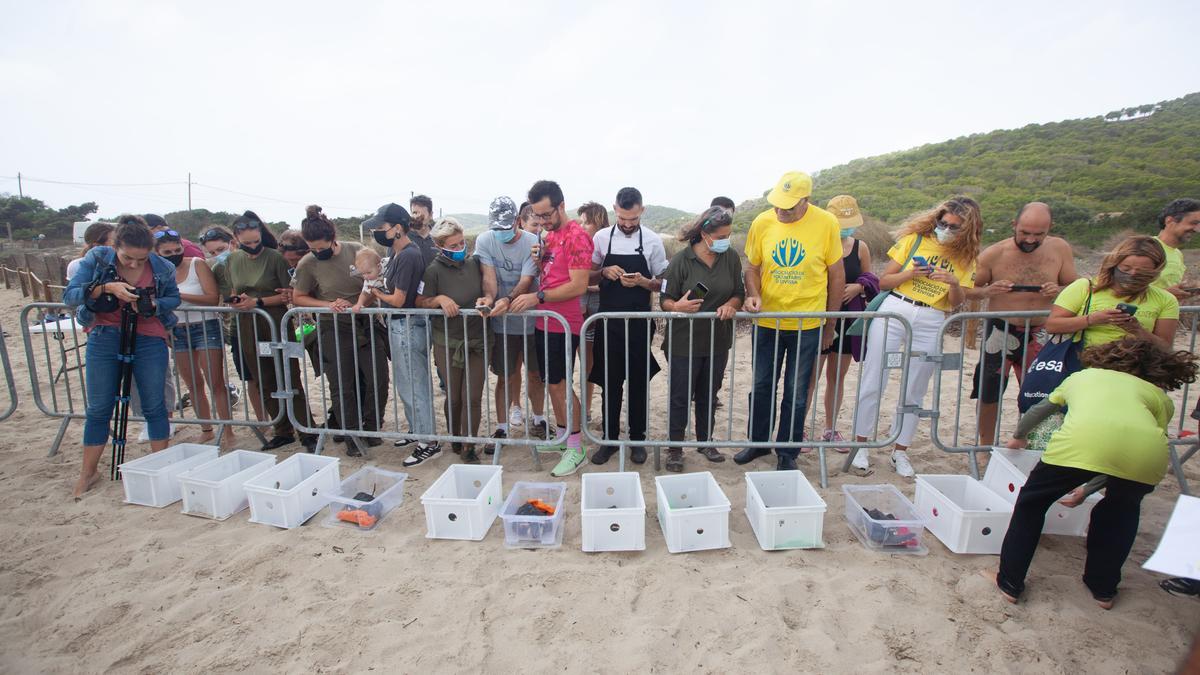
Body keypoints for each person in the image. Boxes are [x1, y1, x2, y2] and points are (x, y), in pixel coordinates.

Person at [994, 337, 1197, 609]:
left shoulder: (1082, 377)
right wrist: (1087, 490)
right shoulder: (1159, 396)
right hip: (1146, 456)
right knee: (1121, 512)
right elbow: (1124, 450)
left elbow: (1039, 410)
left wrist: (1019, 436)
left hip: (1079, 444)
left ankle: (1010, 584)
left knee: (1031, 504)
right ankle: (1103, 590)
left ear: (1104, 356)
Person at [851, 196, 981, 477]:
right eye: (942, 223)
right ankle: (860, 446)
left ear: (967, 229)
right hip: (897, 307)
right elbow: (883, 281)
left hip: (933, 315)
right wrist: (911, 273)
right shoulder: (915, 240)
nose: (944, 229)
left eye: (953, 226)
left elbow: (958, 301)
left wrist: (954, 283)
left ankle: (900, 451)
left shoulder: (967, 257)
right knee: (875, 378)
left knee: (916, 387)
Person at [62, 216, 180, 498]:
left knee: (155, 405)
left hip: (149, 335)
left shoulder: (161, 266)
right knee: (100, 407)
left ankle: (158, 467)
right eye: (127, 258)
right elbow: (71, 296)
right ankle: (88, 472)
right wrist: (105, 288)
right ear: (115, 246)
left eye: (141, 260)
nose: (133, 265)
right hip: (104, 333)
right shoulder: (97, 259)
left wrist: (151, 303)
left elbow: (173, 298)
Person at [736, 171, 845, 472]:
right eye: (778, 205)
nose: (781, 211)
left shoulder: (826, 223)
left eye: (789, 206)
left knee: (797, 391)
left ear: (806, 200)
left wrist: (830, 325)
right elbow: (752, 268)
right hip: (768, 322)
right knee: (761, 386)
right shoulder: (762, 222)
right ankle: (757, 444)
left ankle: (788, 451)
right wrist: (753, 294)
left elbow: (836, 275)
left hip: (806, 323)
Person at [967, 202, 1079, 446]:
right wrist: (988, 291)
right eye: (1025, 232)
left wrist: (1059, 290)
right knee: (990, 392)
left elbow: (1076, 286)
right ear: (1014, 225)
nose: (1030, 239)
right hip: (1001, 328)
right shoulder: (994, 254)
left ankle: (1032, 442)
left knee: (1041, 392)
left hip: (1042, 330)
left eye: (1038, 234)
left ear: (1049, 229)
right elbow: (967, 290)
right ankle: (985, 445)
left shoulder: (1059, 249)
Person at [510, 180, 593, 477]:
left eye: (546, 215)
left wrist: (537, 296)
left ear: (561, 205)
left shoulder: (577, 237)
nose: (542, 221)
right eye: (537, 216)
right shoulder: (550, 235)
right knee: (552, 383)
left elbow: (578, 285)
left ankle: (575, 447)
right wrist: (540, 257)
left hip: (564, 322)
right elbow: (553, 274)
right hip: (545, 320)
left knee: (560, 385)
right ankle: (561, 437)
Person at [292, 205, 389, 456]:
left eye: (322, 248)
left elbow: (372, 281)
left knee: (377, 378)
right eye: (313, 248)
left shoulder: (356, 251)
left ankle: (372, 427)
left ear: (332, 239)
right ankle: (351, 435)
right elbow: (299, 297)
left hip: (366, 323)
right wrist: (329, 304)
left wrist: (360, 304)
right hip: (332, 327)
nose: (318, 253)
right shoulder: (308, 263)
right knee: (343, 384)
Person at [222, 213, 316, 451]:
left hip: (274, 319)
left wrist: (258, 302)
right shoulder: (232, 260)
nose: (253, 246)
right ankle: (282, 430)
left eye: (257, 241)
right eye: (248, 243)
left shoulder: (275, 258)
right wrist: (237, 301)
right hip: (246, 323)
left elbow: (288, 295)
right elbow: (234, 289)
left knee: (289, 375)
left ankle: (306, 430)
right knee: (263, 378)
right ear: (236, 238)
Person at [660, 206, 744, 472]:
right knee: (680, 396)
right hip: (684, 342)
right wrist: (677, 307)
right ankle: (675, 448)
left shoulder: (730, 257)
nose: (725, 240)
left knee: (710, 393)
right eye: (721, 236)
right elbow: (664, 300)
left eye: (728, 235)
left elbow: (739, 292)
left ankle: (705, 441)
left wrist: (732, 304)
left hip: (717, 341)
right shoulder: (681, 261)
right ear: (705, 235)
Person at [588, 187, 667, 466]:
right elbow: (587, 272)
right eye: (622, 218)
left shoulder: (654, 241)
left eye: (633, 219)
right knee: (610, 383)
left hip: (639, 323)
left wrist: (645, 283)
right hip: (607, 322)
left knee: (637, 383)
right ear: (615, 210)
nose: (627, 224)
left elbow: (665, 282)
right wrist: (604, 272)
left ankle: (637, 440)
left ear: (642, 211)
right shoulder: (600, 238)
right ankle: (609, 439)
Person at [361, 203, 438, 463]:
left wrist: (376, 293)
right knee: (406, 382)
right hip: (400, 325)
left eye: (381, 228)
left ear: (396, 228)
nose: (377, 232)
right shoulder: (395, 252)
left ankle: (429, 440)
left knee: (415, 384)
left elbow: (399, 299)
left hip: (407, 324)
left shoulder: (407, 255)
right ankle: (418, 430)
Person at [474, 196, 549, 446]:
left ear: (517, 222)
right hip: (502, 324)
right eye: (496, 229)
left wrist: (506, 300)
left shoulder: (532, 241)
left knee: (536, 375)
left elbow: (527, 280)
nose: (500, 234)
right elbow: (489, 276)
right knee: (505, 376)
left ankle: (538, 419)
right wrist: (488, 298)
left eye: (505, 229)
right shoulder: (485, 240)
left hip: (532, 323)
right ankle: (502, 427)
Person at [417, 217, 490, 464]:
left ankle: (470, 445)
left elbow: (489, 289)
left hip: (477, 340)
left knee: (473, 396)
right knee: (454, 395)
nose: (460, 250)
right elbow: (420, 301)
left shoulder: (474, 264)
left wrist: (486, 299)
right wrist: (439, 299)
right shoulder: (432, 271)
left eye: (462, 244)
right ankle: (455, 437)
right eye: (454, 246)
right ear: (440, 246)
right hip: (447, 342)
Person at [154, 229, 234, 446]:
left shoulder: (197, 264)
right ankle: (207, 428)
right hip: (176, 328)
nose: (173, 254)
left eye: (177, 249)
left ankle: (228, 432)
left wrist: (176, 296)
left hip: (205, 325)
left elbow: (211, 298)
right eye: (167, 252)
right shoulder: (157, 272)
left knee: (216, 382)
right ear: (157, 253)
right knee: (193, 385)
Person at [812, 195, 877, 453]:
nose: (845, 228)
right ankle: (801, 429)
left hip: (848, 318)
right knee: (809, 379)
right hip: (820, 317)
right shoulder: (818, 243)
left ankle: (830, 427)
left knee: (836, 378)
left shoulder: (860, 247)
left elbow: (870, 276)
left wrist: (859, 286)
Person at [1043, 235, 1178, 350]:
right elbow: (1052, 325)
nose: (1133, 274)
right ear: (1114, 265)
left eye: (1142, 271)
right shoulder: (1084, 287)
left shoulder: (1166, 300)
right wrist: (1091, 319)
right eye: (1126, 268)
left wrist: (1137, 330)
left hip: (1136, 369)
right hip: (1084, 367)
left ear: (1155, 271)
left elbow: (1165, 346)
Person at [577, 202, 608, 426]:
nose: (581, 226)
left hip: (599, 308)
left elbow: (607, 281)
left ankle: (593, 411)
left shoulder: (609, 244)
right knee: (582, 363)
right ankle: (582, 411)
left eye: (586, 222)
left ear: (598, 222)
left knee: (597, 363)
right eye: (580, 221)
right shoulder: (578, 245)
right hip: (579, 307)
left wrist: (587, 285)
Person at [1152, 198, 1200, 300]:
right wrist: (1166, 294)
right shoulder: (1145, 248)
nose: (1197, 229)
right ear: (1169, 221)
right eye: (1193, 223)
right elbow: (1122, 290)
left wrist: (1192, 288)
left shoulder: (1178, 254)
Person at [409, 195, 438, 266]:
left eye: (422, 214)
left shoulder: (439, 236)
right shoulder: (402, 237)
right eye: (415, 213)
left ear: (430, 215)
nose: (417, 217)